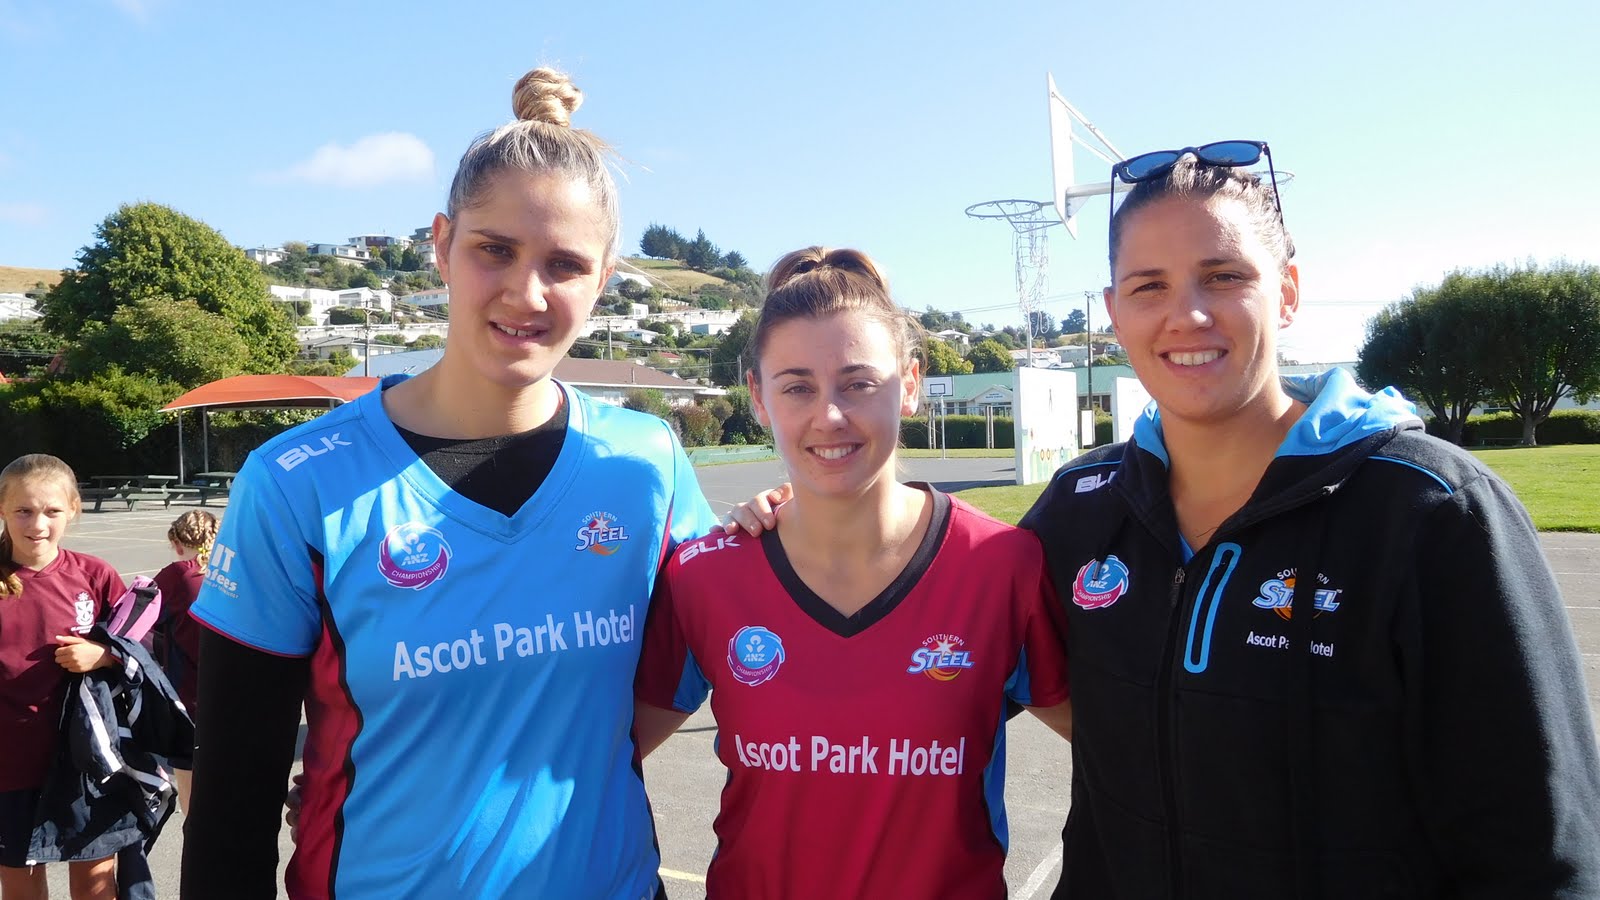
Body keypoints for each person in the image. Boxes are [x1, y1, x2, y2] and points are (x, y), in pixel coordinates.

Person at [180, 66, 717, 899]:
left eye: (565, 263)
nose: (526, 293)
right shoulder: (296, 483)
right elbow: (235, 793)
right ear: (440, 244)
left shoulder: (647, 460)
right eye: (494, 249)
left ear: (604, 278)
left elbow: (718, 644)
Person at [1018, 146, 1600, 897]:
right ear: (1114, 313)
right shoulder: (1080, 504)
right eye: (1148, 285)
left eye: (1224, 276)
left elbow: (1544, 847)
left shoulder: (1432, 509)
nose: (1186, 314)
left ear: (1287, 293)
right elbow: (952, 639)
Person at [632, 247, 1072, 899]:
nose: (829, 415)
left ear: (910, 384)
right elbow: (593, 761)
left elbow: (1130, 751)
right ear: (757, 396)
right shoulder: (703, 578)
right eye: (797, 386)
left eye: (859, 383)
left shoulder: (1003, 566)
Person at [0, 454, 126, 900]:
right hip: (10, 762)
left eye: (52, 510)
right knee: (21, 884)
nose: (38, 524)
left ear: (73, 508)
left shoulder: (95, 575)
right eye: (23, 510)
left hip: (84, 759)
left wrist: (105, 655)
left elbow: (144, 650)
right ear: (2, 509)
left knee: (95, 885)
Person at [151, 509, 218, 815]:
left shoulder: (177, 575)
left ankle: (197, 841)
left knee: (192, 796)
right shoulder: (232, 571)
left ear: (177, 544)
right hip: (235, 695)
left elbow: (138, 616)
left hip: (189, 698)